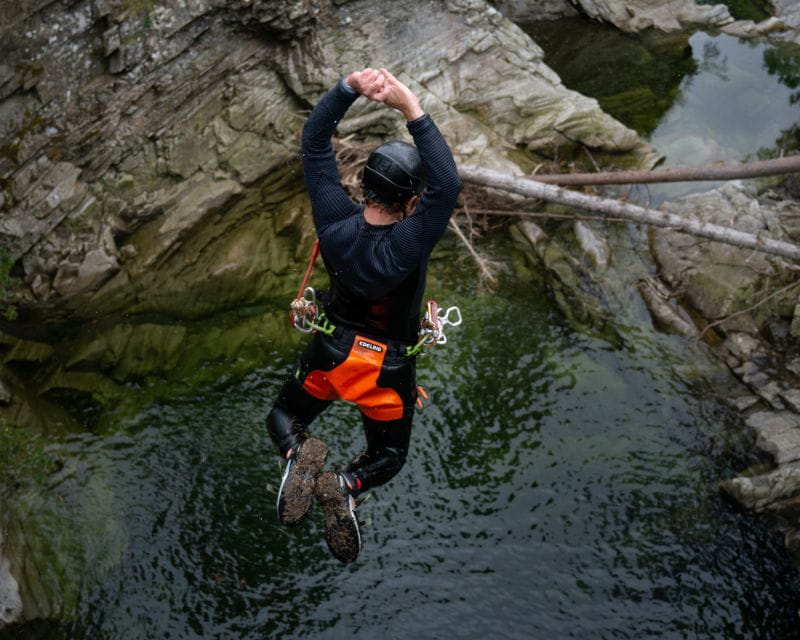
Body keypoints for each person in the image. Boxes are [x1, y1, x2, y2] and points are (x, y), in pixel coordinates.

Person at [266, 67, 461, 563]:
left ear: (362, 181)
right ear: (412, 201)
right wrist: (410, 107)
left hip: (331, 353)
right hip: (386, 369)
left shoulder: (333, 217)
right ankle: (348, 484)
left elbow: (313, 143)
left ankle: (296, 455)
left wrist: (349, 87)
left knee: (284, 416)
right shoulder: (409, 242)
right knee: (388, 456)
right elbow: (449, 182)